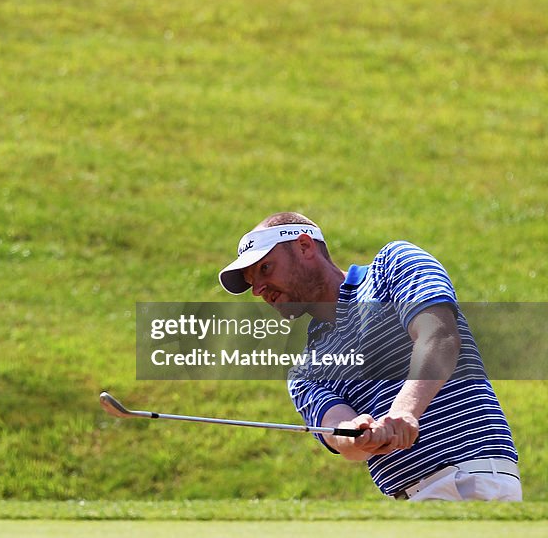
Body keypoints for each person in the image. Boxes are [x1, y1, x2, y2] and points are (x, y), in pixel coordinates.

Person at [217, 211, 521, 501]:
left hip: (468, 480)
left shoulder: (393, 266)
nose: (257, 289)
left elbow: (439, 336)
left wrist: (404, 412)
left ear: (305, 246)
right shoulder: (304, 373)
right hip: (407, 505)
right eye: (251, 281)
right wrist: (357, 433)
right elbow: (342, 437)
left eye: (265, 269)